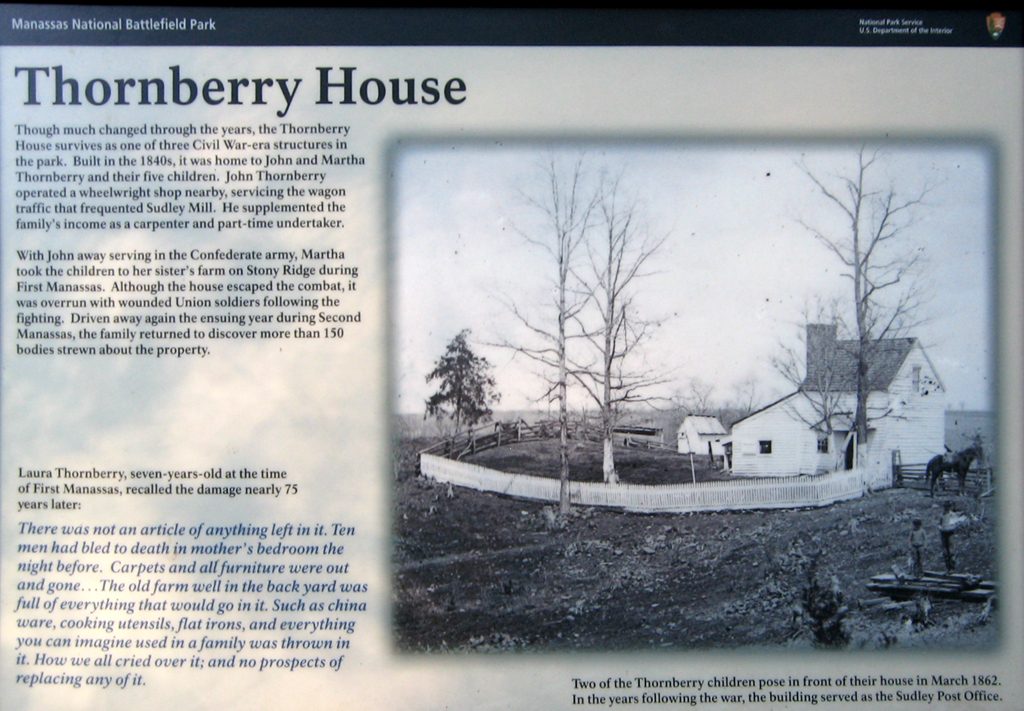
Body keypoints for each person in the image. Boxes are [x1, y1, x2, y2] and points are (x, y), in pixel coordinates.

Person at [939, 502, 967, 573]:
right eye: (945, 507)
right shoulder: (942, 515)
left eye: (948, 507)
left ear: (950, 507)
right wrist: (940, 528)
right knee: (945, 551)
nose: (946, 508)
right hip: (943, 534)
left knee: (951, 551)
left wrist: (951, 528)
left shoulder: (953, 515)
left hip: (950, 534)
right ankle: (947, 568)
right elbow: (939, 524)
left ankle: (952, 568)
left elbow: (956, 525)